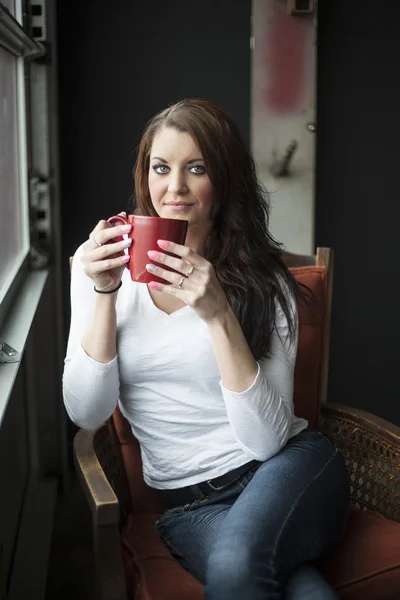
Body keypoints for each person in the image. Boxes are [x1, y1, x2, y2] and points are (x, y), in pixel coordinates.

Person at [63, 98, 350, 599]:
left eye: (196, 169)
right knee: (303, 591)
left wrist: (217, 312)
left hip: (286, 471)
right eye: (161, 168)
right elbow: (88, 412)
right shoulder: (96, 270)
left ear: (224, 180)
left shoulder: (268, 283)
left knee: (239, 567)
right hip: (191, 507)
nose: (173, 188)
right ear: (144, 175)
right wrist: (104, 293)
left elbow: (266, 442)